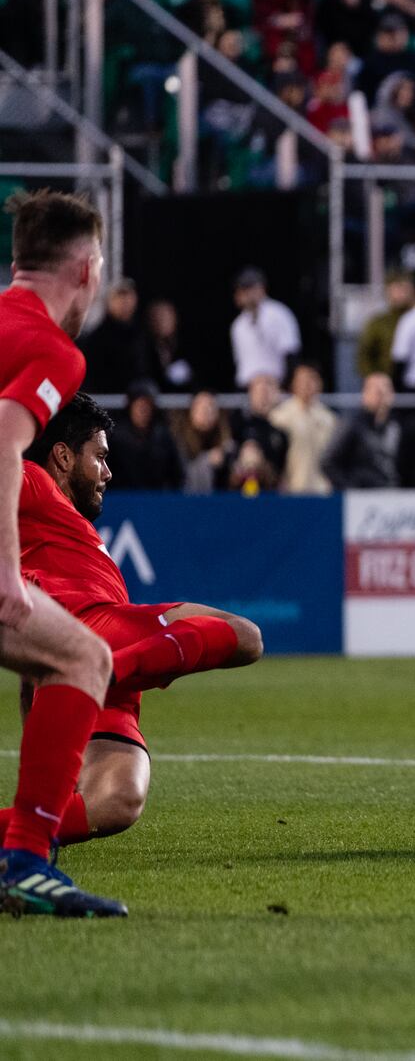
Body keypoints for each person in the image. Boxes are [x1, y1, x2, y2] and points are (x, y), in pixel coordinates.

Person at [4, 394, 262, 863]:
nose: (107, 472)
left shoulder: (62, 525)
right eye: (99, 456)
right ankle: (108, 671)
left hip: (98, 654)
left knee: (119, 799)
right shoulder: (34, 482)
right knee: (245, 636)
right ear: (63, 456)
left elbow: (33, 671)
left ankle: (24, 839)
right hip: (96, 633)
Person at [0, 190, 126, 918]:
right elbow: (4, 446)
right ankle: (23, 860)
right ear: (84, 268)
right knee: (84, 659)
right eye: (101, 266)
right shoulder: (53, 350)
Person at [324, 372, 402, 489]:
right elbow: (328, 462)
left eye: (387, 390)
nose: (383, 396)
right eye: (378, 392)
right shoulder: (352, 424)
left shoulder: (395, 426)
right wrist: (351, 490)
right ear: (365, 395)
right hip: (360, 497)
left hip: (390, 496)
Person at [268, 363, 337, 495]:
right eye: (302, 380)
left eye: (312, 379)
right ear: (293, 384)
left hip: (322, 489)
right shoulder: (279, 417)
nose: (307, 384)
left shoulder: (329, 419)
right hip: (291, 488)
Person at [229, 268, 301, 390]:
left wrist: (286, 386)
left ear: (261, 288)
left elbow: (291, 354)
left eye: (250, 289)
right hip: (249, 389)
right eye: (242, 290)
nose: (246, 294)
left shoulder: (279, 313)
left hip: (276, 387)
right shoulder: (238, 325)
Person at [78, 278, 151, 394]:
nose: (125, 302)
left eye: (129, 296)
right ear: (109, 302)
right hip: (109, 403)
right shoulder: (97, 339)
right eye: (120, 297)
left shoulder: (143, 334)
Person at [108, 380, 183, 490]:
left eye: (146, 407)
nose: (143, 411)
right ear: (130, 408)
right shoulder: (116, 439)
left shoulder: (163, 437)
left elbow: (176, 474)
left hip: (157, 499)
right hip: (122, 499)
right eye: (139, 406)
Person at [358, 271, 415, 380]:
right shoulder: (378, 323)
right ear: (388, 291)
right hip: (386, 380)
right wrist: (373, 377)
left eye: (404, 288)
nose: (400, 294)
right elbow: (364, 355)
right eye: (396, 289)